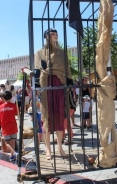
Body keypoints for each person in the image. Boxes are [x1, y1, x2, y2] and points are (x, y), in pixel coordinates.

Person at [34, 28, 72, 159]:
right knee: (47, 117)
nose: (56, 36)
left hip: (59, 83)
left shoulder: (62, 53)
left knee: (60, 116)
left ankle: (60, 147)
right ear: (46, 36)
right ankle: (48, 150)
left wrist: (70, 83)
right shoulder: (39, 52)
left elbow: (67, 68)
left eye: (57, 34)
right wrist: (37, 85)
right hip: (46, 84)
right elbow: (37, 69)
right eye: (53, 34)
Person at [0, 91, 18, 161]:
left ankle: (14, 153)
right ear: (11, 97)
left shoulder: (0, 107)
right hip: (13, 126)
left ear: (3, 98)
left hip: (5, 128)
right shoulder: (14, 105)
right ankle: (13, 155)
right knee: (13, 142)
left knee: (7, 142)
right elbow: (16, 113)